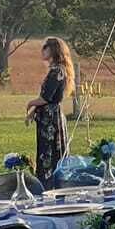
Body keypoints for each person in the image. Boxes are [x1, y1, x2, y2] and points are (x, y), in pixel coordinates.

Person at [27, 36, 74, 179]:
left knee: (50, 152)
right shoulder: (55, 70)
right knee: (46, 151)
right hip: (47, 117)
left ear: (53, 50)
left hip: (51, 120)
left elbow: (46, 98)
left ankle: (50, 181)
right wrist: (34, 111)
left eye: (45, 47)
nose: (43, 50)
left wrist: (30, 104)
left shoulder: (57, 71)